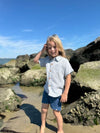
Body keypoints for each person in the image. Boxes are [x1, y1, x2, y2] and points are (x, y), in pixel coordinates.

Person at [33, 34, 74, 133]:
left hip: (57, 93)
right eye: (50, 47)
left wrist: (65, 93)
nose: (52, 50)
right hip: (47, 90)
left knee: (56, 113)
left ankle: (60, 130)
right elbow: (35, 60)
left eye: (54, 47)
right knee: (43, 110)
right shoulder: (47, 60)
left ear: (59, 47)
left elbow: (68, 77)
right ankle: (43, 125)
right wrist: (42, 50)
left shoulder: (64, 61)